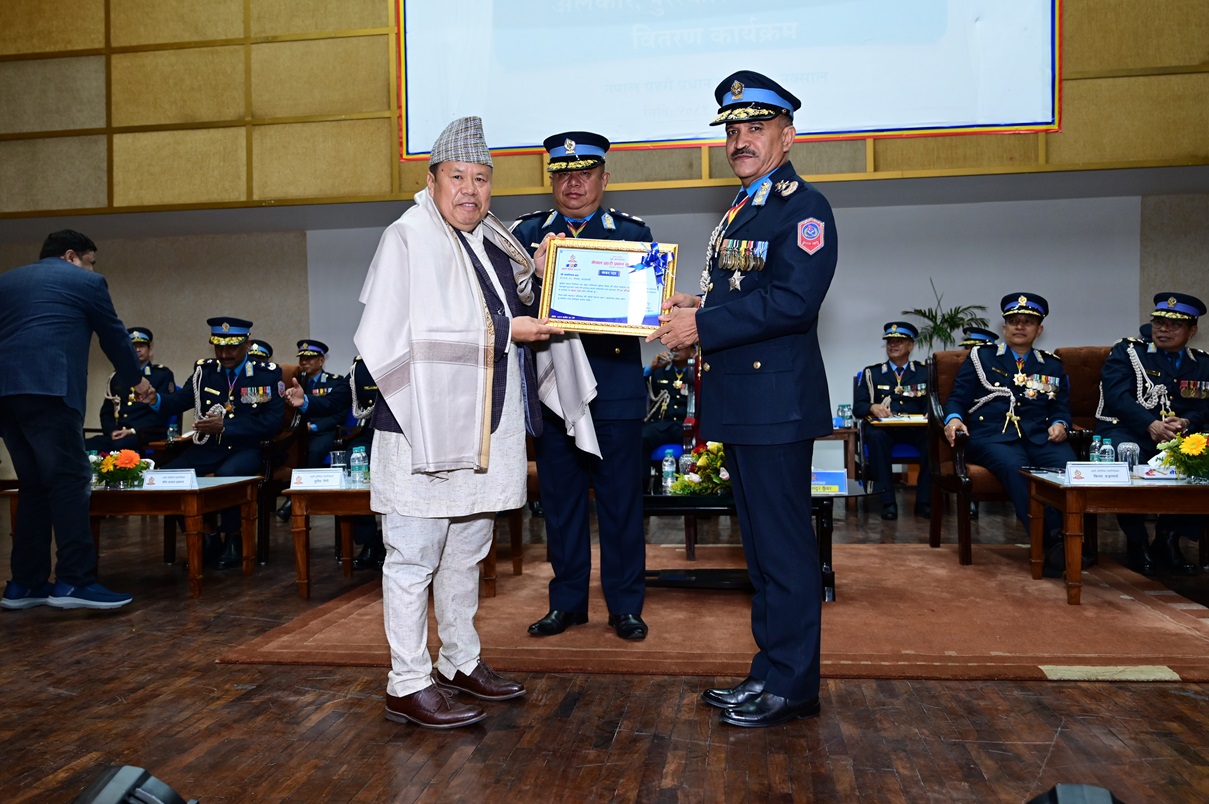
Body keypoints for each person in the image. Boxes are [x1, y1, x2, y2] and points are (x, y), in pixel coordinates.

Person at [354, 116, 597, 729]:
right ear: (432, 179)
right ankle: (408, 681)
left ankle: (459, 659)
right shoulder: (408, 237)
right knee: (413, 556)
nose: (470, 190)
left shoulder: (492, 240)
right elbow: (391, 335)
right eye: (457, 177)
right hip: (421, 427)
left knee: (467, 550)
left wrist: (540, 271)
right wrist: (509, 330)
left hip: (485, 424)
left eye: (481, 179)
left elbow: (503, 302)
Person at [649, 71, 837, 727]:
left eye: (756, 128)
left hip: (775, 406)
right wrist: (697, 303)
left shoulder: (803, 208)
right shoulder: (744, 206)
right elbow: (746, 293)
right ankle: (770, 671)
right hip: (746, 402)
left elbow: (792, 302)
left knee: (784, 551)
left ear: (788, 136)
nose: (740, 141)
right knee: (761, 552)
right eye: (732, 130)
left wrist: (701, 325)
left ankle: (793, 686)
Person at [512, 130, 653, 642]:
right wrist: (538, 275)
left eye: (585, 174)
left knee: (621, 505)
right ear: (551, 180)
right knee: (561, 504)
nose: (573, 183)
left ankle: (625, 606)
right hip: (552, 390)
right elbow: (506, 306)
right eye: (563, 174)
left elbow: (641, 308)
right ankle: (567, 603)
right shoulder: (525, 235)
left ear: (604, 179)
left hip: (612, 389)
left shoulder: (632, 234)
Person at [0, 230, 153, 610]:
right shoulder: (85, 282)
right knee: (71, 479)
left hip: (5, 394)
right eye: (90, 261)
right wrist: (137, 380)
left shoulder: (7, 281)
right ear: (71, 256)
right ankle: (74, 581)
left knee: (34, 484)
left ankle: (25, 584)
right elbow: (114, 337)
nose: (92, 269)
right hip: (49, 390)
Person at [943, 293, 1077, 576]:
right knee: (1016, 468)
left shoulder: (1051, 364)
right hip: (992, 435)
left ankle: (1071, 539)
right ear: (1004, 327)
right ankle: (1050, 544)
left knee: (1069, 468)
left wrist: (1060, 424)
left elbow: (1061, 407)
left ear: (1039, 330)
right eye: (1014, 321)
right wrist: (953, 419)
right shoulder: (982, 356)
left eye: (1028, 322)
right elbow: (958, 398)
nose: (1020, 326)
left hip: (1040, 436)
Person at [154, 317, 284, 569]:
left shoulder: (266, 374)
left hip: (248, 447)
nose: (224, 354)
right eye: (219, 347)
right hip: (210, 447)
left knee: (228, 475)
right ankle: (206, 534)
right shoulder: (204, 372)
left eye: (232, 348)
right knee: (168, 475)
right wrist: (154, 399)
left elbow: (273, 423)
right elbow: (178, 401)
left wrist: (226, 426)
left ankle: (234, 537)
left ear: (247, 345)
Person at [1095, 292, 1208, 576]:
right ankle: (1137, 541)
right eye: (1159, 322)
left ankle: (1169, 538)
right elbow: (1117, 396)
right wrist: (1151, 424)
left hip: (1179, 435)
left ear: (1192, 331)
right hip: (1127, 428)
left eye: (1174, 325)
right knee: (1125, 455)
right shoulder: (1128, 351)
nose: (1164, 329)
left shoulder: (1202, 363)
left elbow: (1205, 406)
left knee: (1202, 461)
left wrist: (1186, 422)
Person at [284, 354, 384, 569]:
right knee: (353, 461)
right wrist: (304, 401)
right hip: (372, 435)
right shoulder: (362, 367)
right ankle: (369, 541)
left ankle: (390, 539)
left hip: (410, 438)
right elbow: (334, 401)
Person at [853, 321, 930, 519]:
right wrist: (872, 407)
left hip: (915, 429)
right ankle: (888, 502)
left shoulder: (924, 372)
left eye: (899, 341)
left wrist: (930, 413)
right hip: (884, 430)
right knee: (875, 436)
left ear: (911, 346)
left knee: (932, 438)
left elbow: (930, 403)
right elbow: (858, 407)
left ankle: (924, 501)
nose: (893, 345)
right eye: (889, 342)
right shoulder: (872, 373)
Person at [275, 339, 351, 521]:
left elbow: (339, 414)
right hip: (296, 431)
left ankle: (297, 498)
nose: (304, 362)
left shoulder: (335, 382)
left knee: (314, 450)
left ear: (321, 361)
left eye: (309, 358)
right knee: (280, 450)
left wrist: (315, 426)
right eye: (302, 359)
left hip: (323, 430)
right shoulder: (294, 382)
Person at [84, 327, 176, 452]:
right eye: (133, 346)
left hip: (147, 433)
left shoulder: (161, 375)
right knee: (82, 445)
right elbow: (107, 412)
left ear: (150, 350)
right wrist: (112, 431)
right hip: (119, 434)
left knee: (118, 446)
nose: (137, 350)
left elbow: (163, 411)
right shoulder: (117, 377)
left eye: (141, 346)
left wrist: (132, 430)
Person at [642, 346, 694, 460]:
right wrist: (651, 368)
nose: (675, 349)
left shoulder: (696, 374)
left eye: (680, 346)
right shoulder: (659, 371)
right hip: (661, 425)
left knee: (701, 442)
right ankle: (643, 473)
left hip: (686, 425)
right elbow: (636, 385)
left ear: (692, 352)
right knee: (641, 437)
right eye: (673, 347)